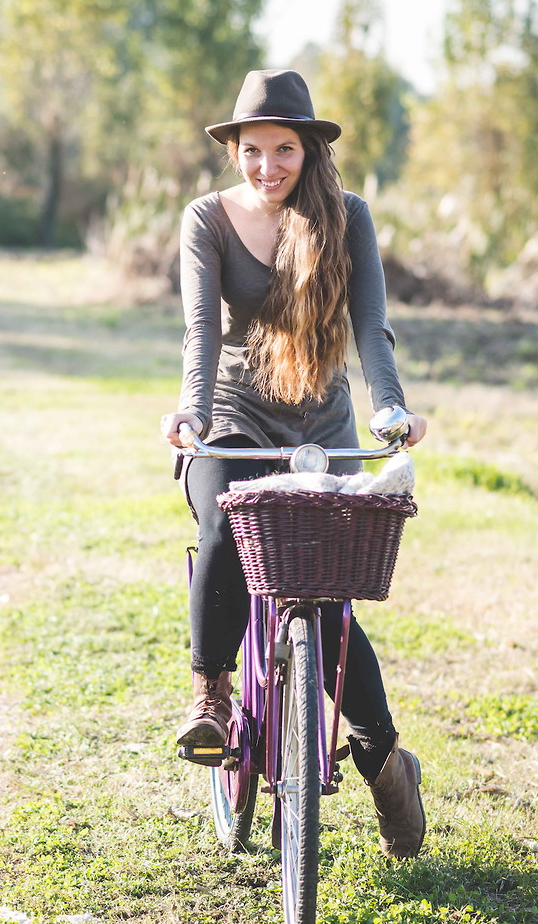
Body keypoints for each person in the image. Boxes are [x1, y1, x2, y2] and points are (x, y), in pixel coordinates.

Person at [158, 68, 429, 860]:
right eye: (252, 150)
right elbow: (201, 331)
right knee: (222, 521)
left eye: (283, 149)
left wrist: (389, 408)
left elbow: (373, 326)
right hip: (235, 420)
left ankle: (381, 757)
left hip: (324, 425)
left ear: (308, 150)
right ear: (233, 150)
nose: (267, 166)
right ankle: (212, 696)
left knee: (330, 599)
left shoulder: (348, 218)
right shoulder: (206, 218)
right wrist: (192, 411)